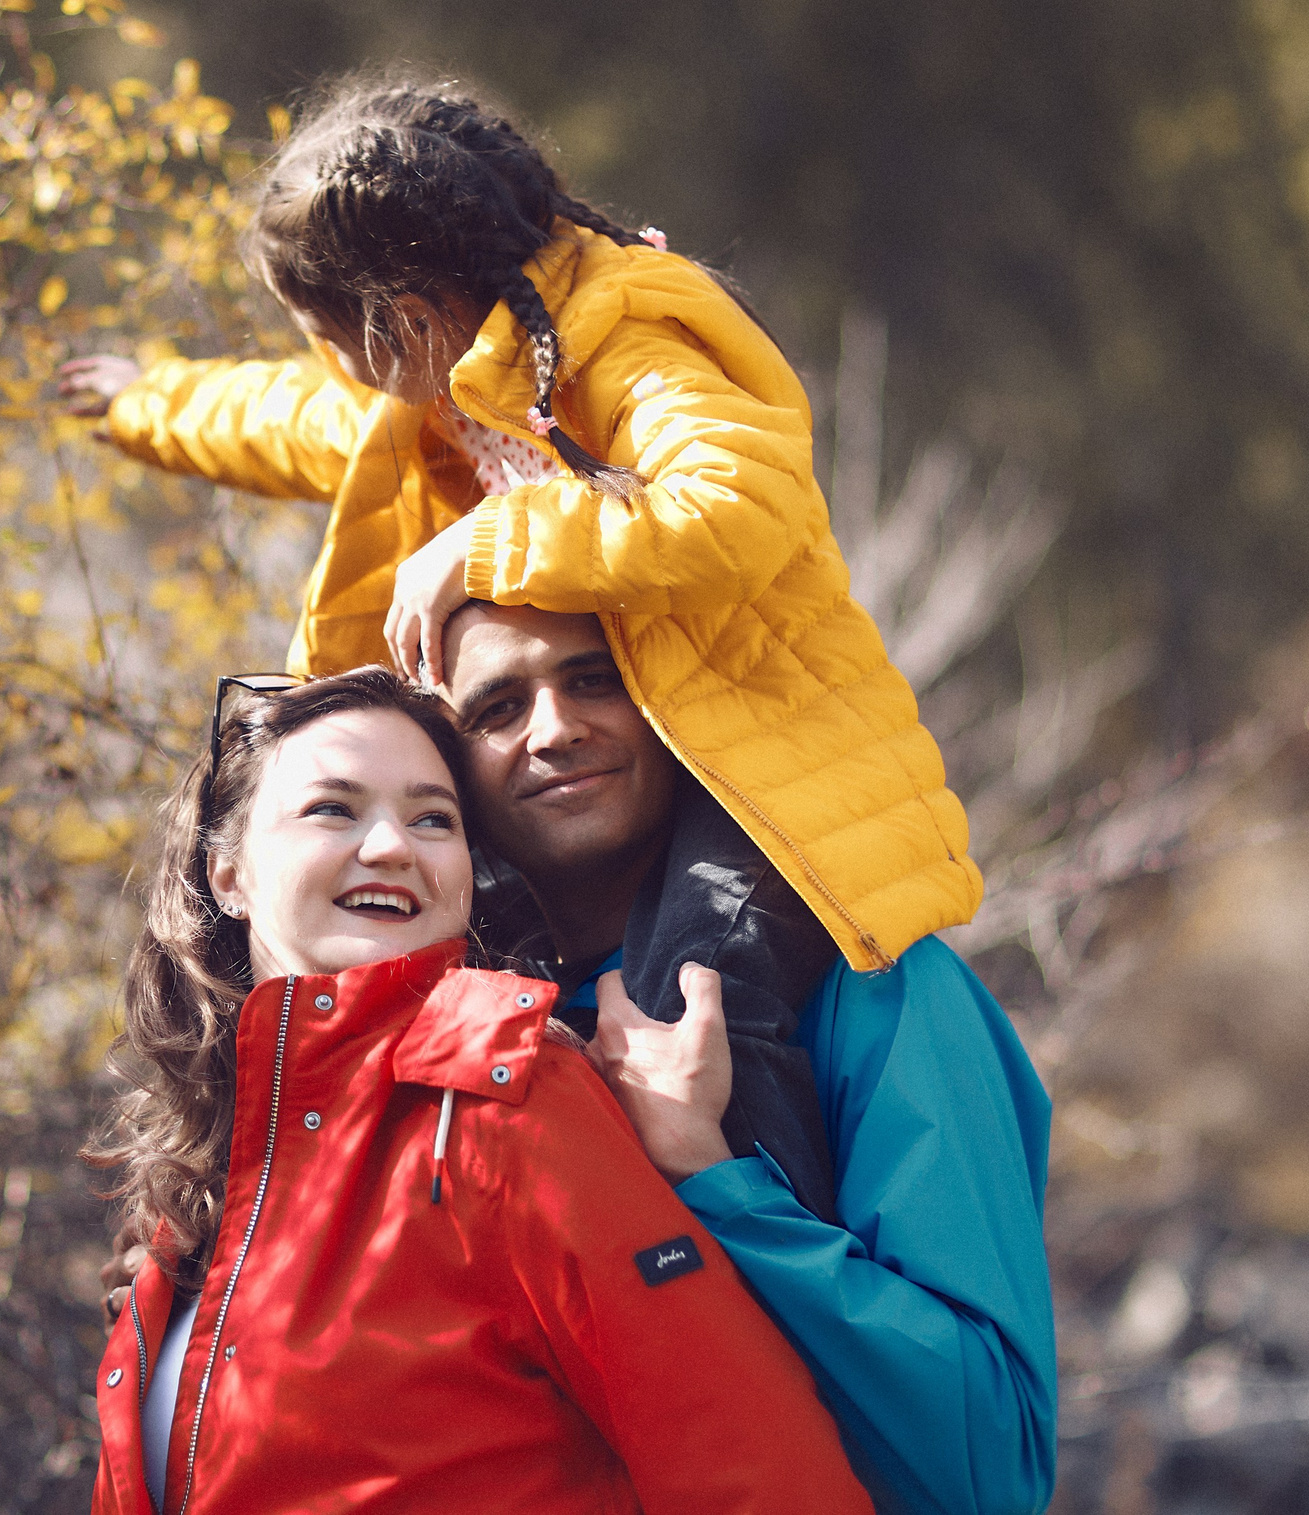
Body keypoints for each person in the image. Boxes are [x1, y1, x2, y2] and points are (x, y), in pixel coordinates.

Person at [58, 72, 980, 1230]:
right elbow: (287, 419)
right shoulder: (437, 388)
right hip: (597, 756)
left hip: (753, 761)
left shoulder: (629, 335)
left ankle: (763, 1267)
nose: (331, 368)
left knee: (705, 988)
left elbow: (735, 507)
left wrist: (486, 544)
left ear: (400, 307)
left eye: (330, 338)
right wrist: (150, 401)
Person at [83, 667, 872, 1514]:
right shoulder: (201, 1189)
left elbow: (761, 1468)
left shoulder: (510, 1095)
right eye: (334, 808)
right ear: (228, 873)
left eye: (434, 818)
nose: (394, 846)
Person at [439, 600, 1059, 1515]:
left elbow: (990, 1465)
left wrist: (712, 1174)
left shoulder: (876, 979)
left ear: (671, 699)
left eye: (595, 679)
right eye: (496, 707)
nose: (555, 727)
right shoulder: (442, 1046)